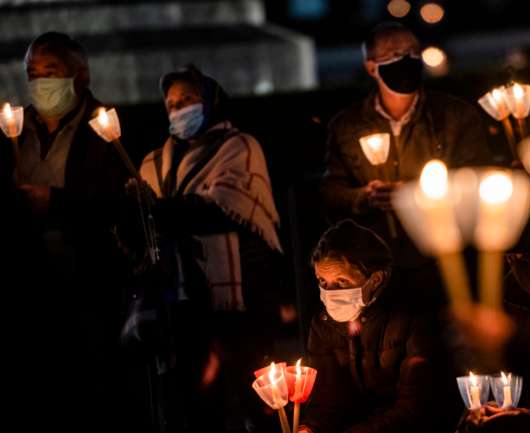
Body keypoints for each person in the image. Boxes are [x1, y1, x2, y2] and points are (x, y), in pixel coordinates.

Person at [134, 64, 286, 432]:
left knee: (254, 401)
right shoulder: (153, 163)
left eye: (188, 99)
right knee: (197, 404)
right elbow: (143, 223)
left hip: (241, 299)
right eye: (171, 104)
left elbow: (223, 207)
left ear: (211, 100)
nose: (178, 109)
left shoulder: (240, 146)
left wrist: (161, 210)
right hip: (183, 304)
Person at [0, 31, 131, 431]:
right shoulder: (14, 130)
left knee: (95, 393)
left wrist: (55, 201)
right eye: (32, 72)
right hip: (30, 288)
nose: (40, 81)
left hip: (91, 283)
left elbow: (119, 201)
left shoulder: (105, 131)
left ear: (80, 75)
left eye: (51, 70)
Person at [320, 21, 492, 306]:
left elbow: (480, 177)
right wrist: (364, 197)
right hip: (379, 263)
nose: (405, 60)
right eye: (394, 53)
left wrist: (418, 193)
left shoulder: (454, 114)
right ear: (371, 66)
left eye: (412, 51)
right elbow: (329, 191)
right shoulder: (347, 125)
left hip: (446, 255)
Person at [299, 220, 434, 433]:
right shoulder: (323, 324)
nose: (331, 292)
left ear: (375, 279)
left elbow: (415, 408)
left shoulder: (412, 316)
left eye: (342, 281)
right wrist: (310, 428)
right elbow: (326, 399)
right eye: (323, 282)